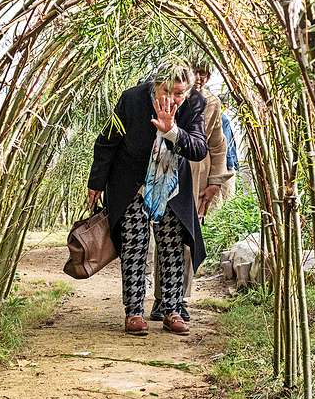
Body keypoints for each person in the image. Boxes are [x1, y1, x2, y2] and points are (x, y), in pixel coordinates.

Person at [87, 61, 208, 336]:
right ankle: (134, 313)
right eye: (168, 91)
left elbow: (199, 149)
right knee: (134, 247)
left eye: (180, 93)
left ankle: (172, 310)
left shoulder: (194, 104)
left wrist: (172, 131)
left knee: (172, 249)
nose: (173, 98)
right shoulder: (132, 99)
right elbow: (107, 141)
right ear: (156, 85)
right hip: (132, 185)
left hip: (171, 188)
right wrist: (96, 183)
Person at [148, 61, 233, 322]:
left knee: (186, 240)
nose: (201, 79)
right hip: (166, 174)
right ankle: (162, 298)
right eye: (198, 73)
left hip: (197, 178)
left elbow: (218, 145)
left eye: (206, 75)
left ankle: (180, 299)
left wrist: (215, 182)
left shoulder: (210, 103)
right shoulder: (169, 95)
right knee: (164, 239)